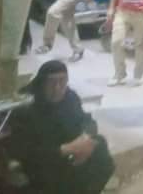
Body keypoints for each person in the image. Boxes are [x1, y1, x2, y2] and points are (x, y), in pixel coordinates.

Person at [12, 60, 115, 194]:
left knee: (99, 145)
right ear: (42, 82)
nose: (57, 88)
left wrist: (84, 139)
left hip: (72, 152)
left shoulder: (70, 97)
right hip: (44, 161)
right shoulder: (26, 104)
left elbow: (87, 120)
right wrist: (66, 149)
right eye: (52, 82)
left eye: (62, 81)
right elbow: (25, 150)